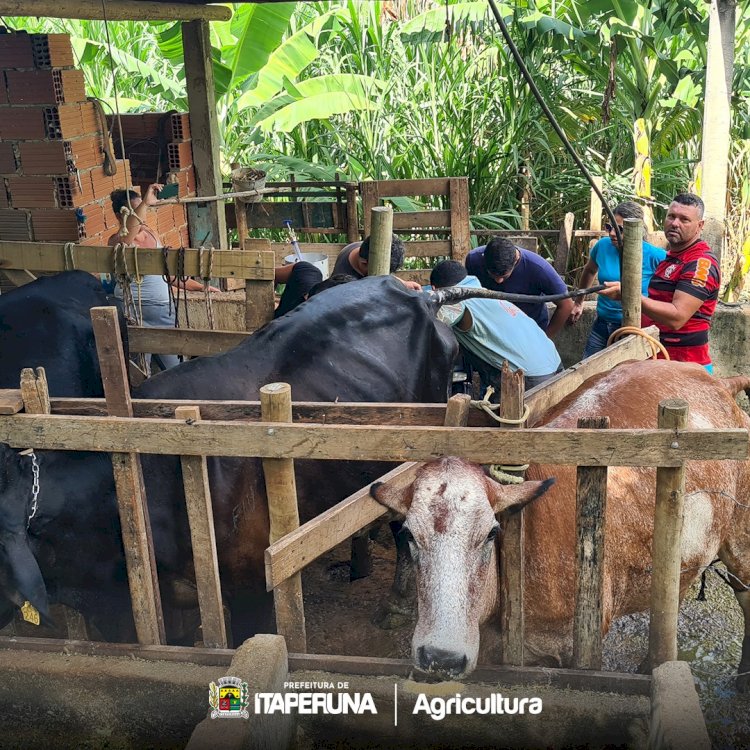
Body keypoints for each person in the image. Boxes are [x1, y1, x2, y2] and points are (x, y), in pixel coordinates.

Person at [599, 193, 720, 372]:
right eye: (671, 216)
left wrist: (629, 295)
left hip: (684, 366)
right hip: (657, 359)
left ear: (699, 226)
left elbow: (677, 318)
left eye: (684, 219)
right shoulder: (671, 257)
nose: (675, 223)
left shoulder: (701, 263)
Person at [107, 185, 217, 371]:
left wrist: (200, 287)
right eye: (134, 211)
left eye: (142, 209)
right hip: (132, 311)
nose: (141, 217)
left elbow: (170, 276)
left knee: (175, 366)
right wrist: (145, 203)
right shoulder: (117, 241)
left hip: (163, 311)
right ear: (120, 216)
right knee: (139, 370)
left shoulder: (152, 234)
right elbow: (126, 241)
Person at [430, 260, 562, 393]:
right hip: (556, 365)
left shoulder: (456, 303)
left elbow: (426, 326)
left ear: (435, 288)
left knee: (496, 411)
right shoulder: (486, 293)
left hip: (529, 378)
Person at [570, 201, 666, 358]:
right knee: (587, 374)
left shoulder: (655, 255)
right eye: (609, 227)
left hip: (632, 328)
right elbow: (589, 270)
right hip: (601, 324)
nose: (612, 233)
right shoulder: (602, 246)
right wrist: (579, 302)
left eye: (620, 229)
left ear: (636, 229)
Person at [464, 237, 572, 338]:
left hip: (529, 329)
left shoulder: (539, 269)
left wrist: (544, 339)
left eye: (504, 276)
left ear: (515, 260)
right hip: (492, 326)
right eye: (492, 275)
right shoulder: (473, 261)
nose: (498, 281)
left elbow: (566, 305)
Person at [333, 233, 422, 291]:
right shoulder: (345, 284)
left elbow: (382, 275)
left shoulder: (364, 248)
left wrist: (403, 283)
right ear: (364, 263)